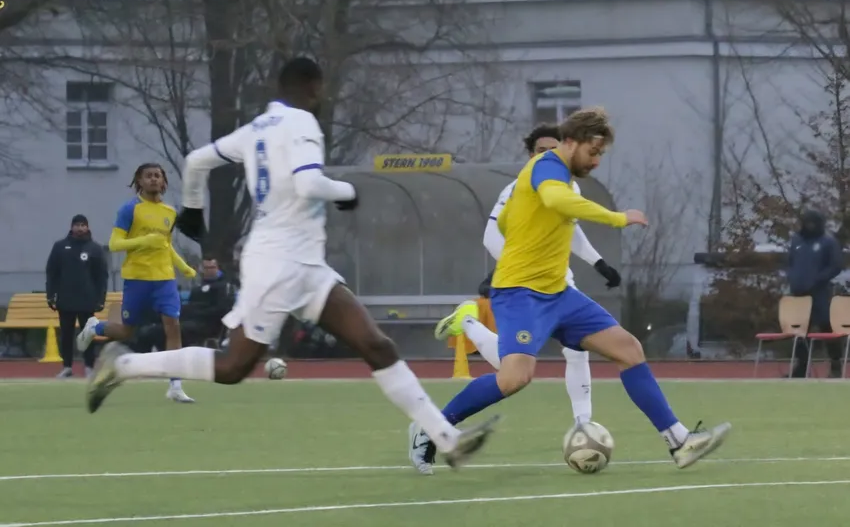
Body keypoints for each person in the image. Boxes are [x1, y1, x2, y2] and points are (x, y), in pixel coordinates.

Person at [84, 56, 498, 469]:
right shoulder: (302, 124)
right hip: (279, 263)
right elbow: (309, 183)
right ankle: (123, 364)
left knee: (376, 344)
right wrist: (346, 192)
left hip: (303, 264)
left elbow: (195, 162)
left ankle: (448, 441)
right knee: (233, 366)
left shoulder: (255, 129)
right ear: (313, 88)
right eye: (322, 90)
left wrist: (193, 209)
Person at [409, 106, 730, 474]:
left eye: (600, 155)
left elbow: (536, 216)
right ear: (571, 143)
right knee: (515, 377)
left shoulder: (562, 179)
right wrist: (617, 218)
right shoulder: (547, 166)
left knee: (628, 349)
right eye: (593, 153)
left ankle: (679, 441)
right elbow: (555, 201)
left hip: (559, 293)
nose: (596, 162)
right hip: (520, 293)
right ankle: (431, 428)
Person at [430, 124, 620, 434]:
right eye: (541, 151)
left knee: (577, 350)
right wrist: (519, 268)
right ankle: (468, 324)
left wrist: (598, 263)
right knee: (514, 371)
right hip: (524, 285)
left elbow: (572, 229)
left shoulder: (569, 186)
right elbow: (491, 236)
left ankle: (583, 424)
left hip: (558, 282)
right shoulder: (517, 188)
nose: (548, 155)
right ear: (530, 155)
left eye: (553, 149)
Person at [75, 163, 198, 403]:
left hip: (164, 279)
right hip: (137, 278)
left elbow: (165, 245)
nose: (153, 179)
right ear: (139, 182)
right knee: (125, 331)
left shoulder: (170, 212)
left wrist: (182, 266)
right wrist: (143, 240)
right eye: (148, 176)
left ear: (163, 182)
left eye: (157, 176)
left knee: (172, 325)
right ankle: (95, 327)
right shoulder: (129, 209)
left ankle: (175, 385)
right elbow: (114, 243)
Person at [45, 214, 108, 378]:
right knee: (66, 334)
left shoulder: (95, 248)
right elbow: (52, 273)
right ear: (71, 227)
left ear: (87, 227)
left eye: (83, 225)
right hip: (66, 299)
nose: (80, 228)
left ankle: (88, 366)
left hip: (87, 300)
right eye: (77, 225)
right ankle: (67, 367)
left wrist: (100, 298)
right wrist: (51, 295)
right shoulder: (60, 247)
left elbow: (101, 276)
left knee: (87, 334)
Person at [788, 209, 844, 378]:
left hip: (819, 292)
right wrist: (791, 278)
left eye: (813, 223)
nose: (809, 226)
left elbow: (835, 266)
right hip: (799, 292)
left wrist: (817, 279)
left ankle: (835, 364)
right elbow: (791, 261)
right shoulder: (797, 240)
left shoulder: (828, 241)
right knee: (799, 330)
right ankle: (801, 367)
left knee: (826, 326)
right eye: (806, 223)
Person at [180, 255, 235, 346]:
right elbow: (190, 306)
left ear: (217, 268)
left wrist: (198, 311)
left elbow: (221, 309)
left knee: (177, 330)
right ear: (202, 269)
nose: (210, 270)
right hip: (191, 321)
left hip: (210, 325)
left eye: (212, 267)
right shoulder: (197, 288)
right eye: (206, 268)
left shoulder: (223, 286)